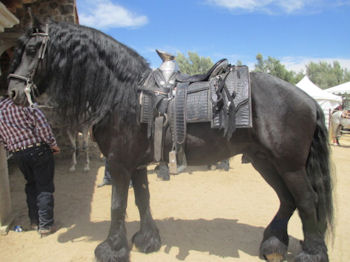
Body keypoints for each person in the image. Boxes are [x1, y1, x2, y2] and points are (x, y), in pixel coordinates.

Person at [0, 96, 60, 236]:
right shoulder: (26, 104)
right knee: (44, 186)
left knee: (31, 184)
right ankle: (46, 225)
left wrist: (13, 148)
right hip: (38, 149)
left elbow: (2, 139)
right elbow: (43, 126)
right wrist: (53, 145)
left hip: (18, 154)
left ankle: (35, 221)